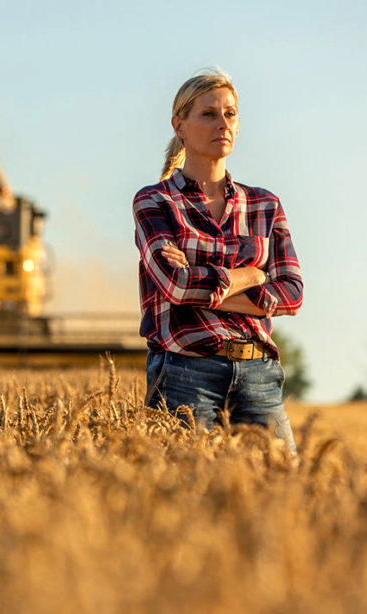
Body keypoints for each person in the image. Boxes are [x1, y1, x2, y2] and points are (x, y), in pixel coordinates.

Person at [132, 69, 303, 453]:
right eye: (208, 114)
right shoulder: (155, 201)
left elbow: (292, 294)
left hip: (258, 370)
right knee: (183, 486)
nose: (222, 123)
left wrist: (201, 286)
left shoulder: (265, 205)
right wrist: (252, 274)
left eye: (230, 114)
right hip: (184, 369)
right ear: (180, 125)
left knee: (285, 488)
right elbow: (175, 285)